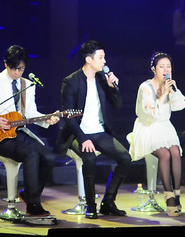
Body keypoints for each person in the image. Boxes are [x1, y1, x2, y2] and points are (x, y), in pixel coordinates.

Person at [0, 45, 59, 217]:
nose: (17, 72)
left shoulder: (28, 84)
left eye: (21, 69)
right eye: (14, 68)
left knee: (49, 158)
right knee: (31, 154)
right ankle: (33, 205)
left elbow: (30, 113)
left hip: (19, 133)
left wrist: (47, 119)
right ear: (6, 64)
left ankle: (29, 194)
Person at [56, 40, 131, 219]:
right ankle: (90, 206)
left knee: (125, 158)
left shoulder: (102, 79)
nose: (104, 61)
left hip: (99, 131)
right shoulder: (71, 81)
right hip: (77, 132)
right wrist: (83, 138)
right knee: (89, 158)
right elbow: (68, 116)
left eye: (104, 57)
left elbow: (117, 105)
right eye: (101, 57)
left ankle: (108, 201)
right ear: (88, 59)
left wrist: (113, 87)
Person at [128, 52, 185, 216]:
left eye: (168, 66)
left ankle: (177, 193)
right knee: (165, 154)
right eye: (162, 67)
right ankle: (168, 196)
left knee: (175, 152)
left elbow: (178, 107)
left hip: (165, 127)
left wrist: (172, 91)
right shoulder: (145, 87)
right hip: (147, 127)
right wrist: (163, 95)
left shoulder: (170, 85)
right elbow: (150, 114)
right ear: (154, 69)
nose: (166, 70)